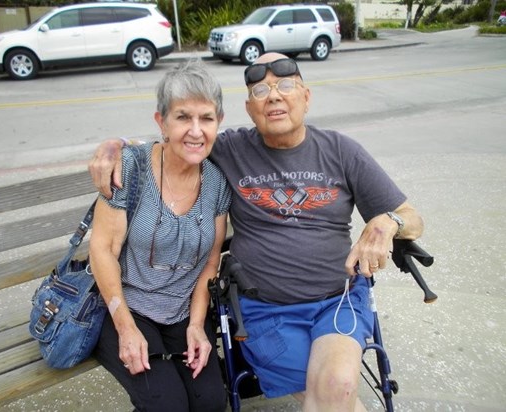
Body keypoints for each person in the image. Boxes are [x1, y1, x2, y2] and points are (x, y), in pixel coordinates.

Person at [89, 53, 424, 412]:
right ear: (250, 109)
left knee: (337, 386)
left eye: (285, 85)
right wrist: (117, 144)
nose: (275, 96)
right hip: (265, 310)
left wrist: (388, 222)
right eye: (261, 90)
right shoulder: (231, 148)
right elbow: (179, 137)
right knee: (327, 394)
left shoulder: (342, 151)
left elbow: (411, 217)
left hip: (335, 299)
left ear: (306, 96)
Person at [88, 60, 230, 412]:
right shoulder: (130, 168)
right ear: (161, 122)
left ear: (218, 123)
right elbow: (103, 250)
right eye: (182, 117)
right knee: (167, 404)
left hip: (183, 309)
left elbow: (211, 262)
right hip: (125, 306)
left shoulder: (216, 182)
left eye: (206, 118)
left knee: (211, 402)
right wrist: (124, 327)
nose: (195, 131)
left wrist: (198, 325)